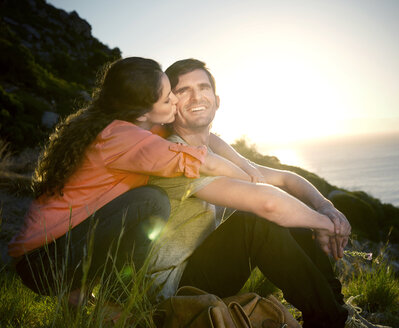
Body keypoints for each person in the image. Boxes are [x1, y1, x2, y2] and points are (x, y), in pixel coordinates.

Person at [8, 57, 253, 303]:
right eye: (168, 99)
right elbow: (204, 160)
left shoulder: (133, 126)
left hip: (51, 253)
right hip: (43, 265)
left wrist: (245, 162)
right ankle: (116, 302)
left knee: (139, 204)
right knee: (150, 202)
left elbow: (205, 139)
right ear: (145, 111)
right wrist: (252, 185)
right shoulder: (126, 138)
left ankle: (80, 295)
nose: (176, 100)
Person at [146, 59, 355, 328]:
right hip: (172, 292)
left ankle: (333, 310)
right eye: (183, 90)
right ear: (172, 104)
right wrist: (329, 226)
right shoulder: (175, 155)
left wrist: (326, 208)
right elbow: (268, 204)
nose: (196, 96)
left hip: (201, 268)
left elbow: (284, 178)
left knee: (297, 214)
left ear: (217, 100)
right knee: (257, 221)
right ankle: (330, 319)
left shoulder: (212, 149)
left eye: (203, 87)